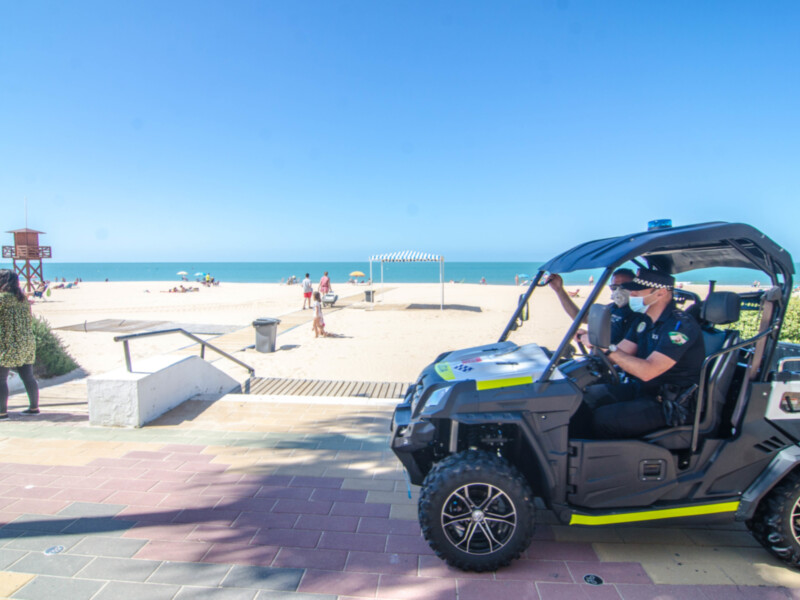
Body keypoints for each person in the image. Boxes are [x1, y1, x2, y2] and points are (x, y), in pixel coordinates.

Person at [585, 268, 704, 439]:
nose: (631, 294)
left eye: (637, 291)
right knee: (588, 396)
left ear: (661, 293)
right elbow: (622, 352)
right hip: (645, 391)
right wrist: (595, 344)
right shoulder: (644, 321)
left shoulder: (680, 327)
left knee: (603, 419)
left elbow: (648, 371)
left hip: (671, 405)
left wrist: (606, 348)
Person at [548, 268, 636, 345]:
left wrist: (593, 340)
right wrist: (559, 290)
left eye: (624, 287)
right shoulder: (610, 308)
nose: (618, 291)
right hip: (598, 358)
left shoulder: (637, 314)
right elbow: (582, 318)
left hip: (611, 361)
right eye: (614, 287)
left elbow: (624, 347)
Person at [0, 270, 39, 418]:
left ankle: (2, 412)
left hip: (5, 344)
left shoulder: (2, 299)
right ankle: (34, 407)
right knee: (28, 377)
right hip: (25, 343)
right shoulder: (22, 300)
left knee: (1, 379)